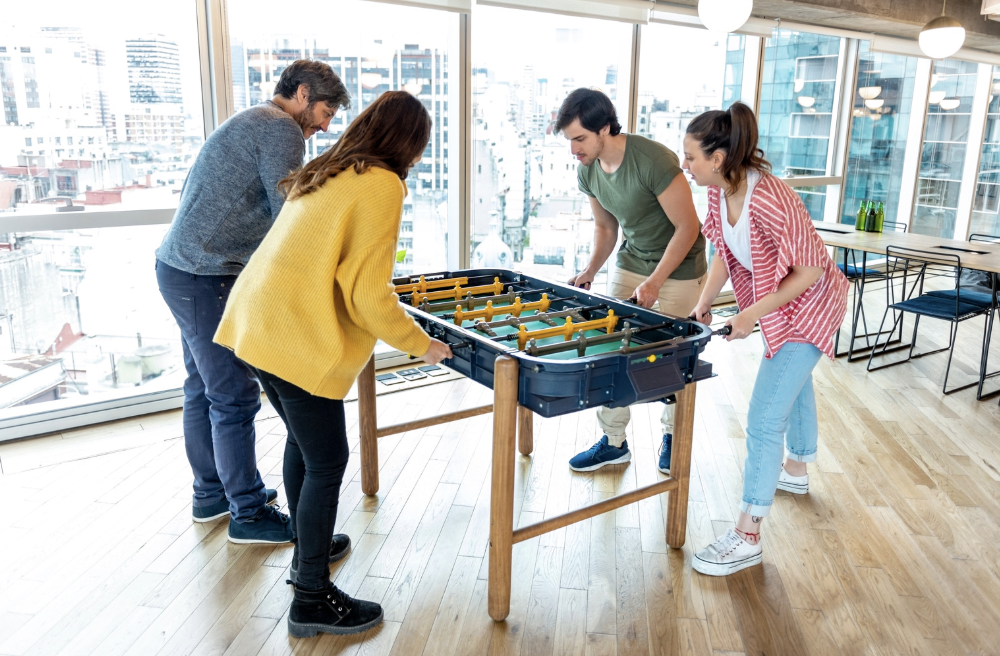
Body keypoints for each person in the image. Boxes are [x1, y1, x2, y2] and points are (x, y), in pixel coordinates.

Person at [214, 91, 453, 637]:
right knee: (327, 461)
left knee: (305, 445)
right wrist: (423, 345)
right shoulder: (382, 183)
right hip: (293, 337)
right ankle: (313, 599)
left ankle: (308, 550)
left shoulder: (332, 168)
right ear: (410, 143)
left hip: (257, 324)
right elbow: (368, 293)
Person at [155, 60, 350, 544]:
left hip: (180, 268)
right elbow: (290, 214)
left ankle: (212, 494)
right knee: (234, 396)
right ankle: (246, 513)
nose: (326, 125)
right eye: (326, 111)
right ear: (302, 94)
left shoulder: (251, 120)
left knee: (202, 387)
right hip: (206, 275)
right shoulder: (282, 129)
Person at [682, 102, 848, 576]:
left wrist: (750, 314)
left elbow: (812, 269)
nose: (685, 166)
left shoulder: (772, 197)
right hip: (780, 302)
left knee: (763, 417)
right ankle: (796, 469)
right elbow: (722, 250)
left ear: (717, 158)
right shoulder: (718, 192)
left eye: (691, 157)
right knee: (790, 382)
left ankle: (748, 534)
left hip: (811, 305)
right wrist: (704, 300)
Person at [556, 88, 708, 474]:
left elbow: (688, 227)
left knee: (672, 356)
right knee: (611, 351)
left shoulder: (652, 160)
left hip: (681, 266)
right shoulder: (588, 170)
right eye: (569, 140)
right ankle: (613, 443)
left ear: (604, 128)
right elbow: (606, 228)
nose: (574, 149)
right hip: (633, 259)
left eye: (579, 138)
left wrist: (656, 281)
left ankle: (675, 436)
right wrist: (590, 270)